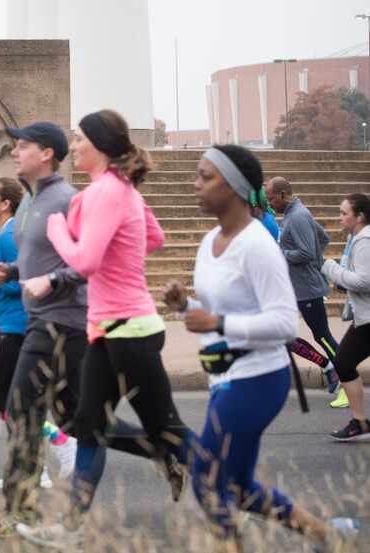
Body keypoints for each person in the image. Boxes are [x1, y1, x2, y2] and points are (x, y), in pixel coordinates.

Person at [164, 144, 357, 552]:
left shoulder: (257, 245)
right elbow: (216, 313)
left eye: (205, 176)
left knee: (207, 480)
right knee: (235, 486)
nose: (194, 183)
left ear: (234, 186)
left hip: (257, 379)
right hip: (225, 378)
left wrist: (217, 322)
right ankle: (328, 537)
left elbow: (285, 323)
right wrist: (188, 306)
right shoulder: (209, 242)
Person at [15, 111, 192, 549]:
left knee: (168, 433)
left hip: (128, 331)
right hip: (110, 329)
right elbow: (154, 238)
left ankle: (235, 484)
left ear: (98, 145)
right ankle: (71, 528)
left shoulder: (105, 192)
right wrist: (110, 237)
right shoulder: (118, 189)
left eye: (78, 140)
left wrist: (59, 230)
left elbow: (85, 261)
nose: (74, 147)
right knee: (89, 428)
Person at [0, 122, 157, 539]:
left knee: (22, 410)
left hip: (64, 322)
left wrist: (50, 283)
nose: (14, 151)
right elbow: (43, 260)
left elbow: (84, 261)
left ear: (47, 154)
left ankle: (18, 513)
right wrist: (7, 276)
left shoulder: (67, 200)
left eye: (23, 146)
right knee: (77, 420)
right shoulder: (30, 202)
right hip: (45, 320)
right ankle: (167, 446)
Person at [0, 177, 75, 490]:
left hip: (19, 328)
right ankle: (34, 467)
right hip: (13, 325)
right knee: (14, 403)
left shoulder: (11, 233)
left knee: (1, 401)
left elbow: (27, 278)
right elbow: (8, 285)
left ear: (5, 203)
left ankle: (58, 443)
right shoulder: (7, 231)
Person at [250, 191, 341, 389]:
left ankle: (346, 375)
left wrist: (310, 265)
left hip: (304, 287)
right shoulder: (288, 217)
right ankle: (329, 367)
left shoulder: (283, 219)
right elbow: (322, 238)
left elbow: (304, 251)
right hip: (291, 286)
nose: (271, 203)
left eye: (272, 199)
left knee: (322, 336)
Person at [321, 193, 370, 441]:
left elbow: (364, 281)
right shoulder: (359, 238)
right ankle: (359, 421)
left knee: (343, 362)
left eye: (344, 213)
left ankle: (360, 422)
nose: (339, 218)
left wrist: (331, 269)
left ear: (359, 216)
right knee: (343, 362)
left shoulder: (364, 240)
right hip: (365, 317)